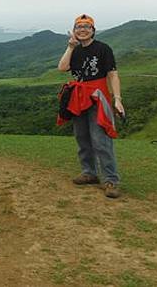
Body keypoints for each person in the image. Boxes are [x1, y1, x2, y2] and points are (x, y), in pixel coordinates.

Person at [57, 14, 124, 198]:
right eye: (79, 27)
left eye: (87, 27)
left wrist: (117, 98)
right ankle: (89, 173)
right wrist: (70, 46)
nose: (83, 30)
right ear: (74, 31)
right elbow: (62, 68)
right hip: (78, 98)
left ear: (93, 30)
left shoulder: (103, 49)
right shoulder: (75, 50)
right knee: (82, 137)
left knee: (100, 139)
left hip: (98, 97)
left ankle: (111, 179)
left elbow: (112, 74)